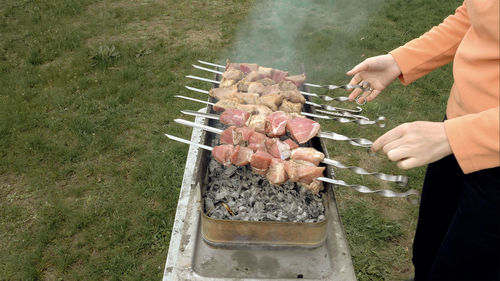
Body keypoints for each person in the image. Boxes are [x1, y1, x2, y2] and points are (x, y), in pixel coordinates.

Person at [345, 1, 499, 280]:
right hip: (453, 131)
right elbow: (477, 15)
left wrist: (459, 136)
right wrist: (402, 60)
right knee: (428, 254)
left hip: (481, 148)